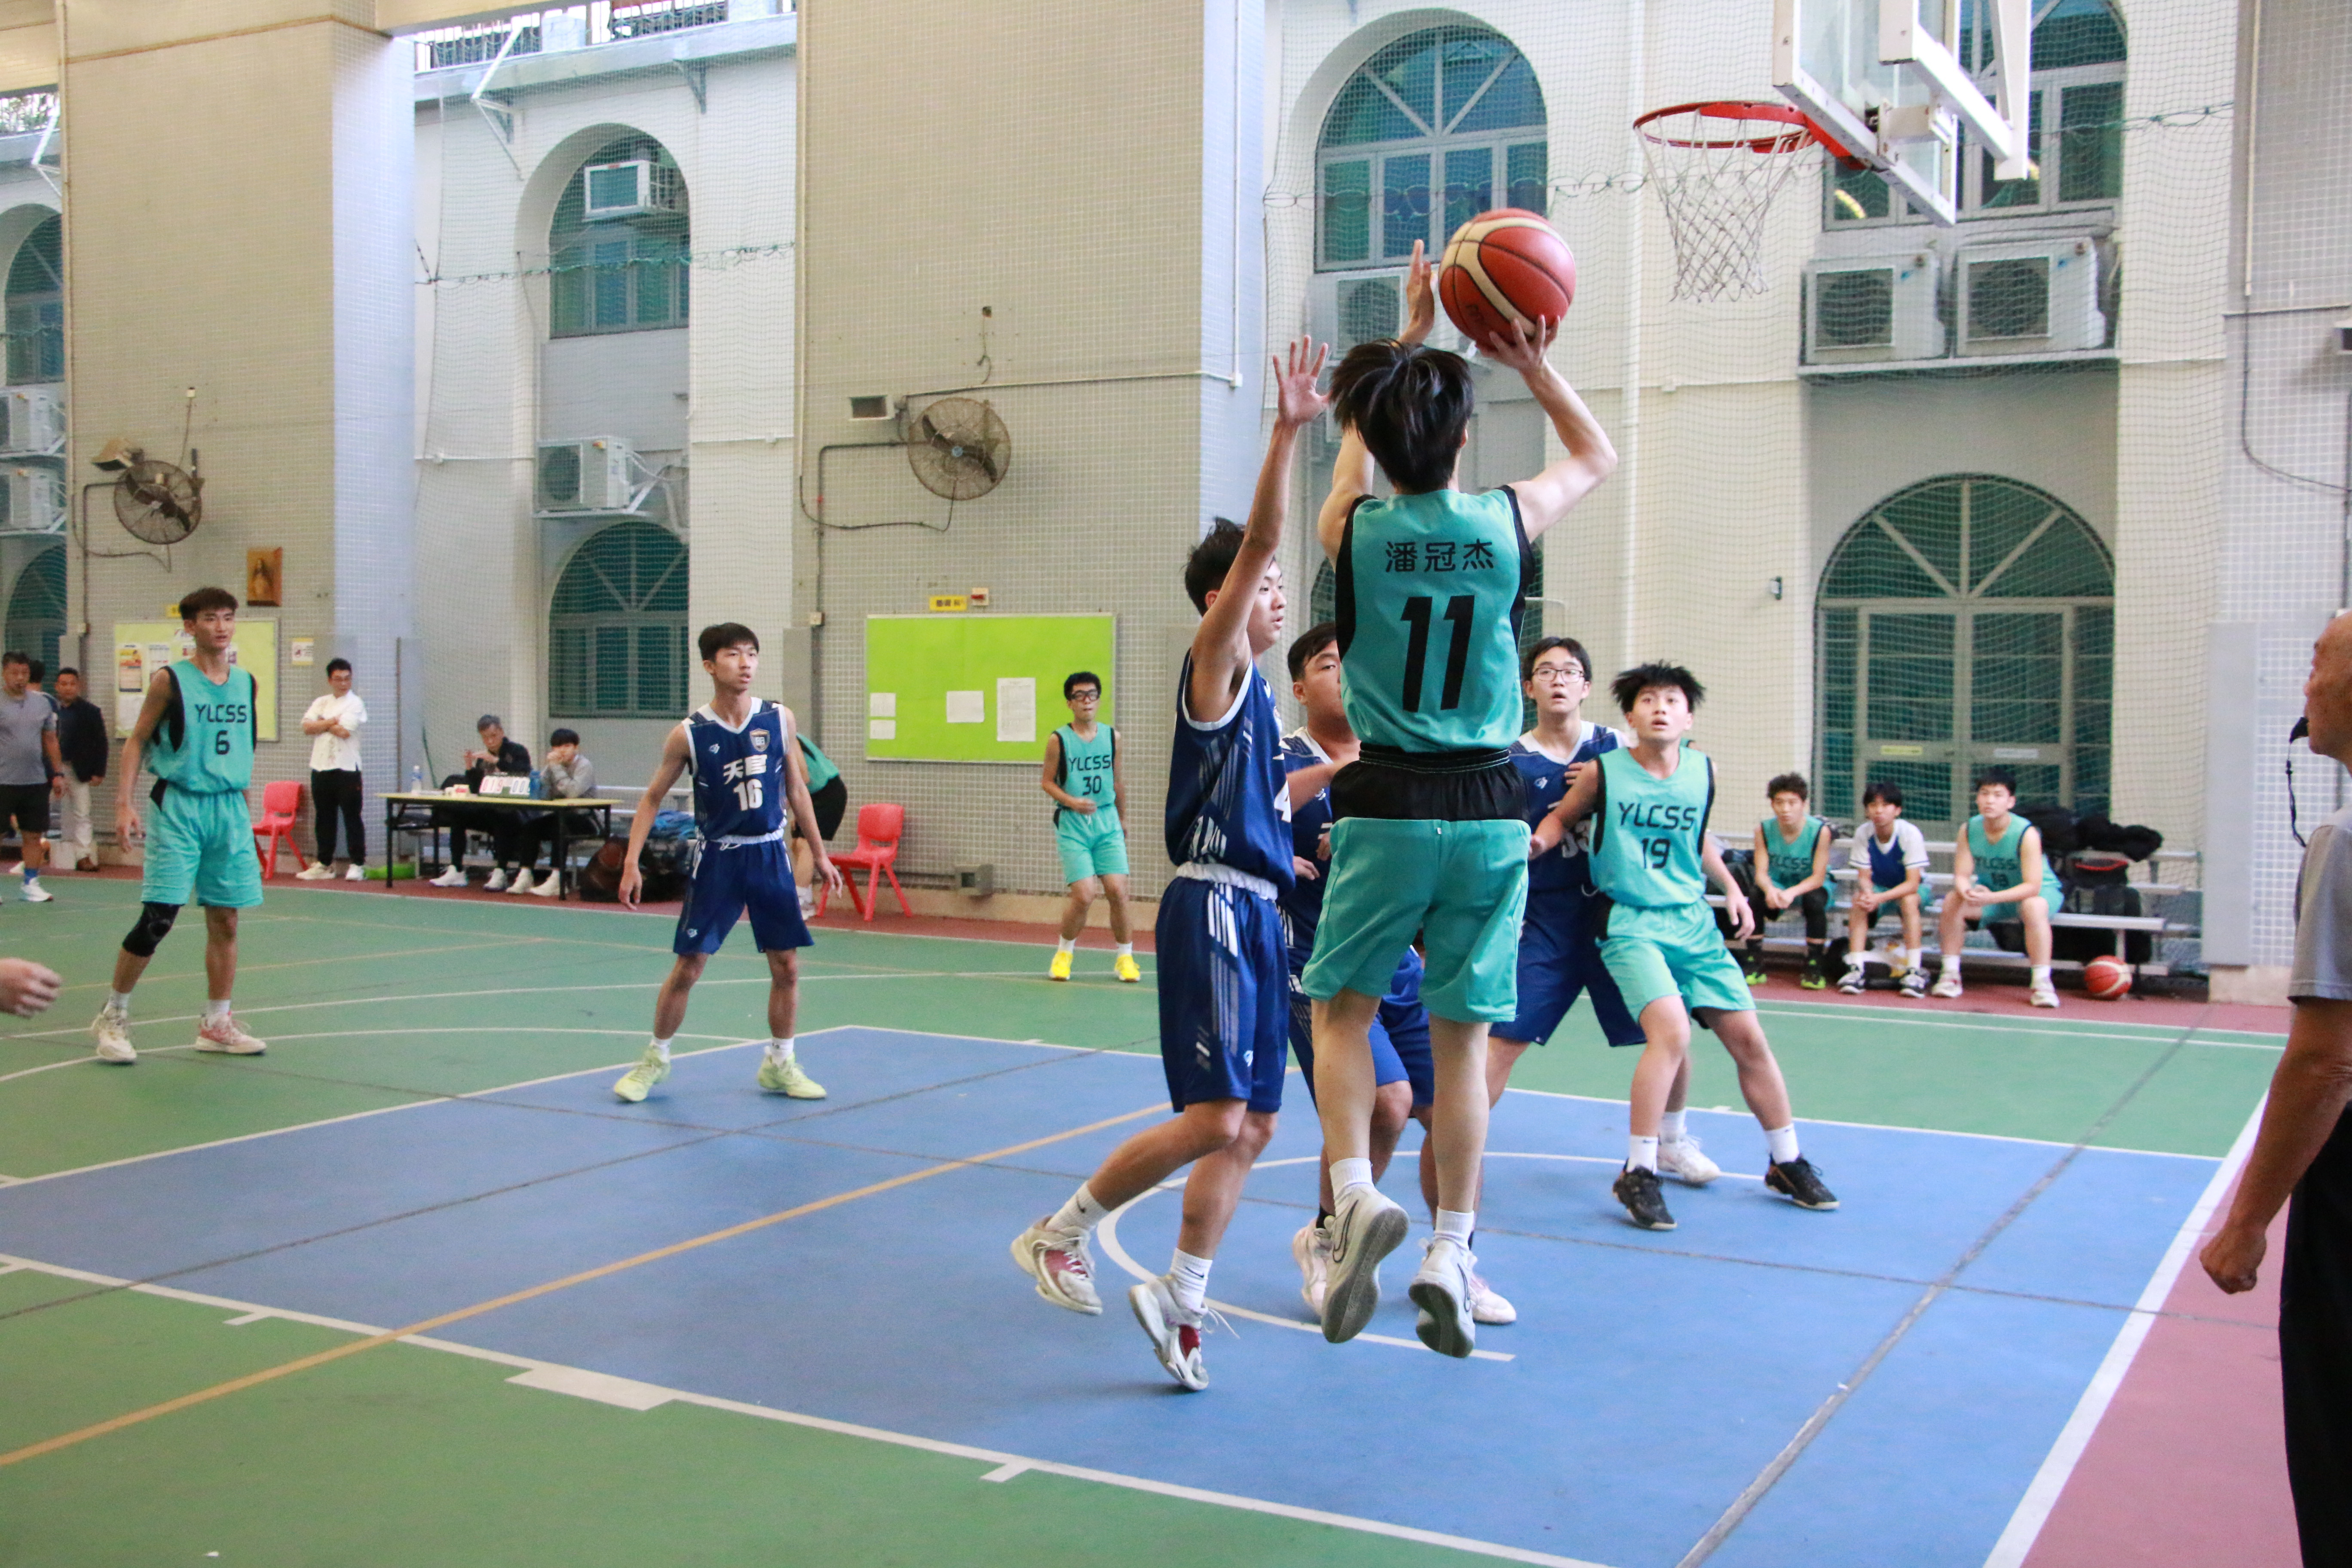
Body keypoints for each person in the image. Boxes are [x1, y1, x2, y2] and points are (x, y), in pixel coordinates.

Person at [1302, 242, 1617, 1359]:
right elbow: (1598, 453)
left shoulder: (1356, 530)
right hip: (1490, 809)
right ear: (1466, 438)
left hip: (1387, 799)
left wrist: (1406, 333)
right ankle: (1450, 1247)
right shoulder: (1503, 519)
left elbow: (1352, 453)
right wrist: (1529, 360)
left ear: (1376, 434)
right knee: (1463, 1044)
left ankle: (1352, 1196)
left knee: (1341, 1012)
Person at [1010, 339, 1322, 1393]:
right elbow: (1261, 538)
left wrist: (1347, 774)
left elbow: (1270, 807)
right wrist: (1284, 431)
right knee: (1216, 1116)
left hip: (1261, 913)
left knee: (1257, 1123)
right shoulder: (1213, 661)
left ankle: (1182, 1298)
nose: (1277, 595)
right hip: (1214, 908)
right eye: (1263, 583)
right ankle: (1059, 1232)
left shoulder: (1264, 704)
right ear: (1222, 596)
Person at [1533, 663, 1837, 1232]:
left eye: (1672, 700)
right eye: (1648, 700)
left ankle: (1786, 1160)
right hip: (1630, 921)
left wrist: (1732, 890)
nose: (1660, 709)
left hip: (1693, 922)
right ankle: (1639, 1171)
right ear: (1630, 716)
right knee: (1671, 1033)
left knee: (1750, 1040)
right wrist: (1533, 843)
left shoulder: (1703, 771)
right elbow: (1560, 819)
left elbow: (1697, 840)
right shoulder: (1604, 772)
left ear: (1688, 717)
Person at [2200, 613, 2352, 1568]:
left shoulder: (2344, 841)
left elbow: (2326, 1063)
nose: (2305, 687)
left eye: (2317, 664)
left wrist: (2248, 1221)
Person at [1280, 622, 1484, 1322]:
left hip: (1401, 960)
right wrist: (1325, 807)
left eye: (1354, 663)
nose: (1345, 674)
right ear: (1300, 686)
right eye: (1328, 664)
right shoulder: (1282, 756)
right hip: (1316, 958)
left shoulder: (1395, 752)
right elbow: (1245, 822)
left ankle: (1454, 1258)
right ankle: (1327, 1237)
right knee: (1387, 1102)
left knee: (1447, 1107)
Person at [609, 623, 843, 1105]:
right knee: (690, 965)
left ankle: (780, 1063)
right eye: (734, 655)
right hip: (719, 858)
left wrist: (820, 854)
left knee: (787, 966)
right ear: (710, 666)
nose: (746, 663)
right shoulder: (689, 734)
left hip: (770, 854)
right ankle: (655, 1060)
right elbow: (652, 799)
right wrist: (631, 862)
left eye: (752, 654)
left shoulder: (778, 719)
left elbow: (797, 789)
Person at [89, 588, 269, 1064]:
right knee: (159, 917)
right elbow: (137, 740)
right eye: (210, 618)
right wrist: (124, 804)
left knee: (226, 919)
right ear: (190, 626)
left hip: (228, 809)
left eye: (228, 617)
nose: (221, 627)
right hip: (180, 805)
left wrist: (244, 814)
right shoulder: (170, 681)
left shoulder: (246, 683)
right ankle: (113, 1015)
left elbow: (238, 747)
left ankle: (217, 1023)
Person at [1932, 769, 2062, 1007]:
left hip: (2039, 894)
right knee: (1952, 900)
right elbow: (1962, 875)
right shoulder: (1969, 829)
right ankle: (1950, 975)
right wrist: (1967, 891)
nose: (1990, 800)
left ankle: (2042, 984)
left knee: (2032, 907)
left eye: (1997, 795)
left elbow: (2032, 887)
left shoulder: (2026, 833)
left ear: (2011, 802)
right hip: (1993, 896)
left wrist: (1991, 898)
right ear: (1977, 799)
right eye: (1984, 794)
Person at [1041, 670, 1138, 983]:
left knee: (1118, 891)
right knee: (1084, 895)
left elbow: (1118, 781)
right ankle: (1064, 953)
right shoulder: (1059, 740)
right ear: (1070, 703)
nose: (1087, 701)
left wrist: (1122, 818)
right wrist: (1072, 801)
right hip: (1074, 825)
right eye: (1080, 696)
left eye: (1092, 695)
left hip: (1107, 821)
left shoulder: (1112, 738)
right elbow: (1047, 782)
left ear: (1098, 700)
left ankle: (1125, 958)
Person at [1839, 779, 1930, 998]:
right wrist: (1868, 893)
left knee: (1908, 902)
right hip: (1880, 888)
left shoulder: (1909, 833)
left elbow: (1913, 883)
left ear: (1897, 810)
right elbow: (1864, 877)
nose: (1879, 811)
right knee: (1859, 901)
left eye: (1885, 805)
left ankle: (1914, 971)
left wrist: (1879, 898)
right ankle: (1856, 969)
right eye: (1873, 805)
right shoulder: (1863, 833)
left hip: (1915, 889)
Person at [1746, 772, 1834, 988]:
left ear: (1803, 804)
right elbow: (1761, 873)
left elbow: (1818, 877)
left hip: (1810, 883)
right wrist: (1770, 890)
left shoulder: (1820, 832)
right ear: (1772, 804)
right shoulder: (1763, 830)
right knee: (1755, 895)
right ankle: (1754, 961)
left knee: (1815, 900)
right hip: (1778, 883)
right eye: (1779, 803)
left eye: (1792, 803)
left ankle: (1814, 964)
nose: (1785, 809)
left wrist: (1792, 892)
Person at [429, 715, 531, 890]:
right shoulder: (483, 758)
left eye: (493, 736)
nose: (490, 741)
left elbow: (522, 775)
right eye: (485, 738)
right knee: (459, 815)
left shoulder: (517, 751)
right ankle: (456, 869)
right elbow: (477, 788)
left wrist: (497, 762)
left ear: (501, 732)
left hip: (514, 812)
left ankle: (501, 872)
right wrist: (470, 768)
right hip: (488, 810)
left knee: (502, 815)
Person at [297, 658, 368, 882]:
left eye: (347, 679)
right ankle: (324, 864)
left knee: (352, 817)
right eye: (338, 679)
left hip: (347, 768)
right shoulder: (321, 702)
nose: (344, 683)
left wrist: (323, 723)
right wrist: (331, 722)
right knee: (324, 818)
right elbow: (307, 727)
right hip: (321, 767)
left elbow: (345, 732)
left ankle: (357, 864)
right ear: (330, 680)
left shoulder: (355, 703)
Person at [0, 651, 63, 903]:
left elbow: (51, 740)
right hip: (3, 781)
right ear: (4, 673)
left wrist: (58, 773)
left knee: (33, 835)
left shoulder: (42, 704)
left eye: (24, 673)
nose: (20, 678)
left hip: (35, 781)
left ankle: (31, 884)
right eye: (15, 673)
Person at [508, 728, 595, 898]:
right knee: (531, 827)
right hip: (560, 816)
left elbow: (573, 792)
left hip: (585, 819)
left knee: (559, 828)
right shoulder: (552, 766)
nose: (562, 751)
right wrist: (547, 771)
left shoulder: (584, 766)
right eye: (558, 747)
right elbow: (542, 793)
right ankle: (525, 874)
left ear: (576, 748)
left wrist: (556, 768)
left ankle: (557, 878)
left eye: (567, 746)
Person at [50, 668, 105, 873]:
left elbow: (101, 743)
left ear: (79, 686)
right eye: (64, 684)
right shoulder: (48, 710)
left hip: (77, 769)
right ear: (57, 687)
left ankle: (83, 856)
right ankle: (34, 854)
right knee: (37, 810)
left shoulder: (91, 712)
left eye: (72, 684)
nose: (68, 688)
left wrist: (99, 771)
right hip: (50, 768)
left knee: (83, 813)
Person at [791, 732, 845, 914]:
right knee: (796, 844)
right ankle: (805, 897)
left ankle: (799, 903)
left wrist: (791, 808)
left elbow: (803, 777)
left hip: (829, 793)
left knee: (806, 845)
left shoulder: (788, 737)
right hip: (812, 795)